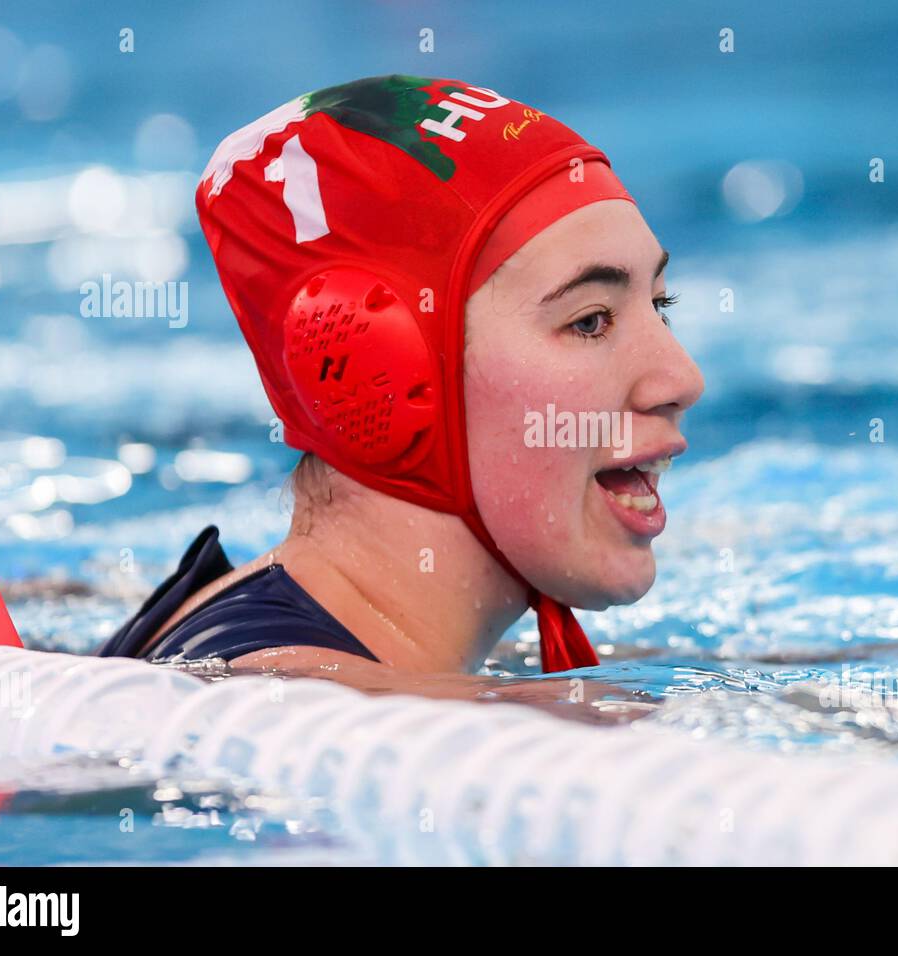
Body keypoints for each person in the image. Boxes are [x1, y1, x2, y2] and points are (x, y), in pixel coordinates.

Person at [99, 75, 703, 718]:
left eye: (660, 305)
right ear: (377, 371)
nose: (681, 378)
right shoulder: (307, 717)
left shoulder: (283, 638)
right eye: (589, 321)